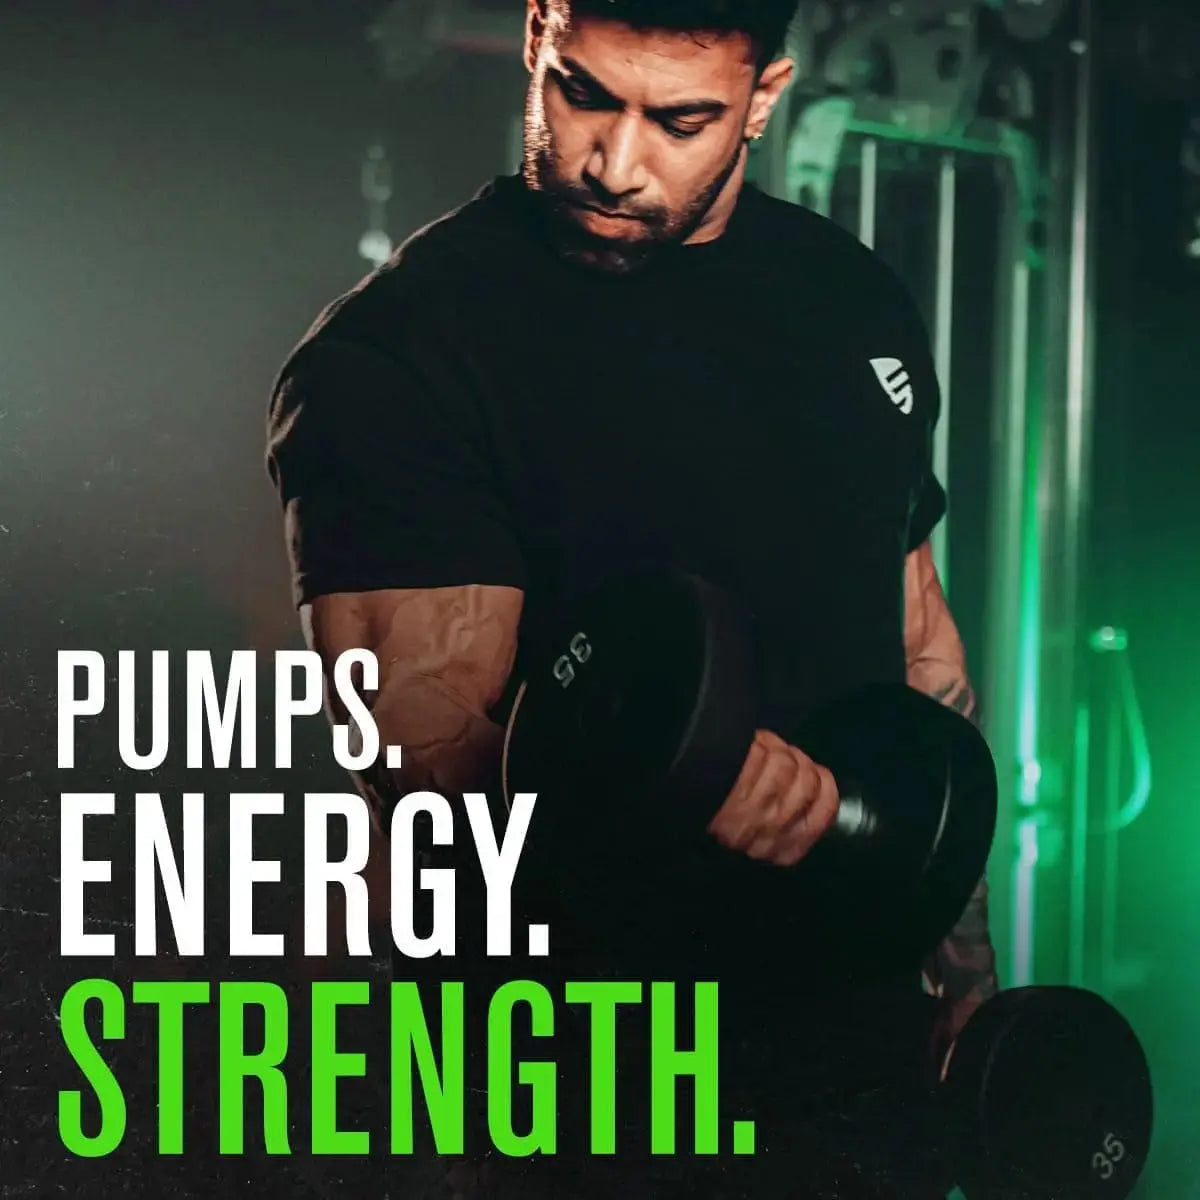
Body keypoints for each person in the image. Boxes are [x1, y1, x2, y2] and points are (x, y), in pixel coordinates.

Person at [266, 0, 999, 1193]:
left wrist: (965, 978)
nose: (614, 162)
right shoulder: (405, 350)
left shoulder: (853, 301)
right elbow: (421, 766)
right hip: (583, 1087)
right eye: (584, 93)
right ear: (538, 34)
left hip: (856, 1069)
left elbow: (921, 653)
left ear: (765, 97)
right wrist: (685, 775)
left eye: (681, 119)